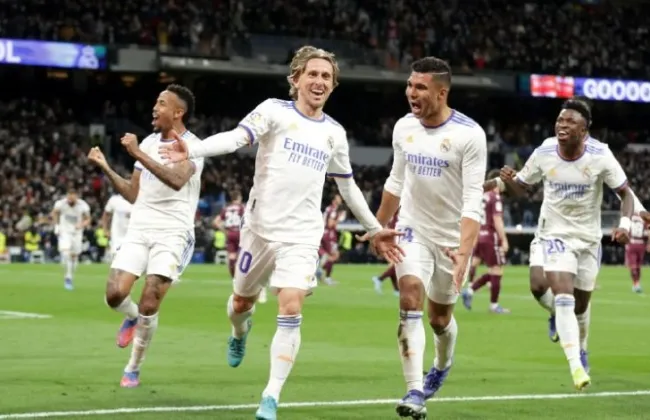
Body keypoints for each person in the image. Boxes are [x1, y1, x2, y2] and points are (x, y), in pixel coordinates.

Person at [159, 45, 403, 420]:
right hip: (259, 230)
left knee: (291, 305)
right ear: (296, 79)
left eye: (326, 76)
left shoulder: (335, 133)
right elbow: (236, 138)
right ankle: (239, 333)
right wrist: (193, 151)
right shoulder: (273, 111)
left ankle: (270, 396)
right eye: (312, 74)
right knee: (241, 303)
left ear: (333, 85)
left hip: (302, 235)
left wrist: (375, 228)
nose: (319, 81)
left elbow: (348, 186)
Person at [361, 56, 486, 419]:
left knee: (439, 319)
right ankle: (414, 391)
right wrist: (377, 227)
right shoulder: (404, 127)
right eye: (409, 85)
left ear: (441, 92)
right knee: (410, 294)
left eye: (420, 87)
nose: (411, 93)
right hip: (412, 229)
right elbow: (395, 182)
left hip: (451, 239)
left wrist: (464, 253)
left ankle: (442, 364)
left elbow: (472, 201)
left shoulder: (469, 135)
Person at [496, 98, 633, 391]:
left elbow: (625, 193)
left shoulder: (600, 155)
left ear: (584, 130)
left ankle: (580, 345)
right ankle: (576, 366)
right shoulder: (545, 151)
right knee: (553, 291)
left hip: (588, 238)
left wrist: (625, 225)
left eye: (570, 121)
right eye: (560, 120)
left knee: (580, 307)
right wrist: (509, 182)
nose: (562, 125)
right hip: (554, 234)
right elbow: (521, 188)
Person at [87, 84, 203, 388]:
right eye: (156, 101)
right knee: (114, 295)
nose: (155, 107)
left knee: (150, 300)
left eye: (162, 103)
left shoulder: (194, 146)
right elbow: (132, 194)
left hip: (173, 233)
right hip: (140, 228)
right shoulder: (150, 143)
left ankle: (133, 368)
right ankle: (132, 316)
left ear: (178, 112)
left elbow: (177, 180)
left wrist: (137, 152)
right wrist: (105, 167)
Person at [462, 168, 510, 314]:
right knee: (497, 270)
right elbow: (497, 219)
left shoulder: (481, 196)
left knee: (486, 267)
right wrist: (504, 239)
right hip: (491, 237)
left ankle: (470, 288)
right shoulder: (495, 197)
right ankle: (493, 305)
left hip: (480, 234)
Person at [51, 188, 91, 290]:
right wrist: (57, 226)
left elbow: (88, 219)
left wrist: (81, 225)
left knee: (74, 256)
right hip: (65, 232)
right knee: (66, 253)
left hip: (77, 233)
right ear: (67, 196)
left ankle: (70, 274)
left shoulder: (83, 205)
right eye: (69, 196)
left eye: (73, 196)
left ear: (76, 196)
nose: (71, 198)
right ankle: (68, 277)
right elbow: (54, 213)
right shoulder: (60, 203)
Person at [213, 191, 245, 279]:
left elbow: (215, 222)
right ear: (239, 198)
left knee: (231, 256)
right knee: (242, 255)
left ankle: (233, 277)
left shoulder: (226, 209)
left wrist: (224, 231)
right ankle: (241, 277)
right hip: (240, 232)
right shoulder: (242, 208)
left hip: (230, 233)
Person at [371, 212, 400, 296]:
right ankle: (379, 279)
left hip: (393, 238)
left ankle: (396, 290)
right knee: (397, 264)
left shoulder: (394, 214)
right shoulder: (398, 213)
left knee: (394, 265)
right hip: (395, 239)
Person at [102, 192, 133, 260]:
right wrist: (105, 230)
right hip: (117, 237)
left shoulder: (139, 200)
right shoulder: (114, 200)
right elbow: (106, 215)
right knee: (116, 259)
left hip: (133, 237)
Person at [625, 212, 648, 293]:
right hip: (641, 244)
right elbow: (647, 233)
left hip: (632, 243)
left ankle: (635, 284)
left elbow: (626, 232)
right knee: (638, 266)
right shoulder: (644, 220)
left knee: (633, 266)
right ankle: (637, 284)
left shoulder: (629, 219)